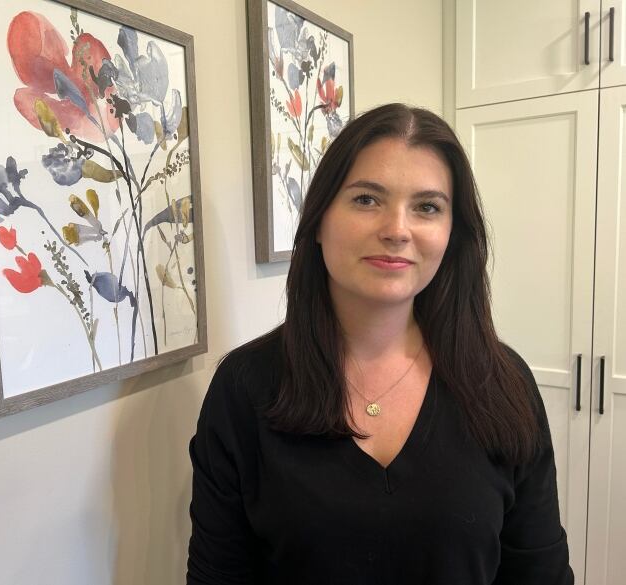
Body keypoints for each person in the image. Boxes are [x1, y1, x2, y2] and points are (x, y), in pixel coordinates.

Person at [186, 103, 573, 584]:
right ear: (320, 220)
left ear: (452, 235)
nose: (396, 229)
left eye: (427, 207)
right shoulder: (246, 388)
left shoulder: (501, 382)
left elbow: (540, 572)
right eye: (367, 199)